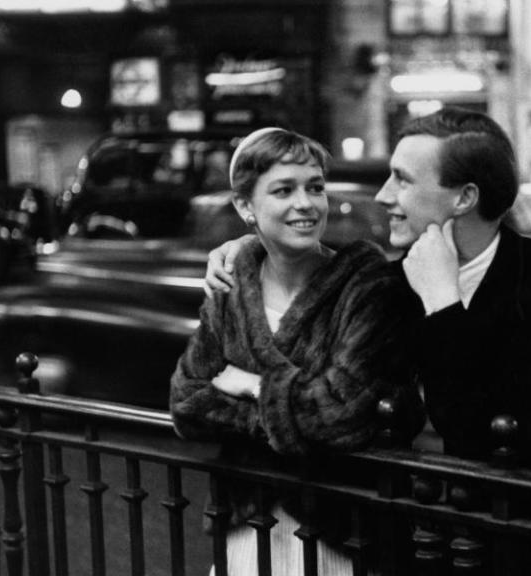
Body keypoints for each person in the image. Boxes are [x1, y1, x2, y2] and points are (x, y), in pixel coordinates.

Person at [206, 109, 531, 572]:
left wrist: (443, 303)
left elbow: (487, 434)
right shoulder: (387, 284)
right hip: (419, 550)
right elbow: (331, 393)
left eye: (402, 181)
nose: (385, 196)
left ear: (464, 197)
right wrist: (246, 249)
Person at [170, 127, 422, 576]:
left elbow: (341, 413)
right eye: (283, 190)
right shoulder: (231, 286)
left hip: (341, 533)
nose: (305, 204)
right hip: (248, 529)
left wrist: (252, 385)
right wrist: (292, 412)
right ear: (245, 206)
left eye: (315, 188)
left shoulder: (365, 286)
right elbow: (187, 402)